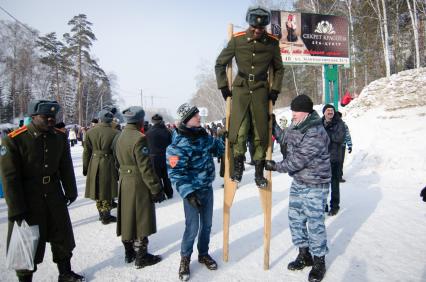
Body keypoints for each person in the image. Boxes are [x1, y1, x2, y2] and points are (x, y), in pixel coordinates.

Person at [0, 99, 84, 282]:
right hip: (28, 200)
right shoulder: (14, 140)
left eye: (53, 116)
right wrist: (16, 208)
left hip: (54, 195)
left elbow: (65, 167)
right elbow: (9, 178)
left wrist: (70, 191)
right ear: (34, 117)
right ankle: (25, 279)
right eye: (46, 117)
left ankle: (65, 273)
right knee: (26, 243)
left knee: (61, 235)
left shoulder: (59, 137)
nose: (51, 120)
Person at [215, 6, 284, 188]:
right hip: (240, 90)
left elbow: (279, 69)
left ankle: (259, 172)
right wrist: (223, 86)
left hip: (261, 91)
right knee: (239, 131)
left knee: (261, 132)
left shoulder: (272, 43)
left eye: (260, 29)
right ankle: (238, 167)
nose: (257, 31)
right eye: (254, 28)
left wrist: (275, 90)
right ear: (249, 24)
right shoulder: (237, 41)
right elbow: (220, 64)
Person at [265, 94, 331, 282]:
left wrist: (275, 166)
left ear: (305, 111)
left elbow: (297, 160)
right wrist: (274, 126)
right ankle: (304, 254)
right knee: (295, 218)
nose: (292, 114)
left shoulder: (316, 131)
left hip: (315, 184)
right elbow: (285, 138)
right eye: (292, 111)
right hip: (299, 182)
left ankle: (319, 261)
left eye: (295, 111)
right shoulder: (299, 124)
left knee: (315, 222)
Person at [166, 103, 224, 281]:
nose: (199, 117)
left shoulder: (203, 136)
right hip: (191, 193)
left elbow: (217, 148)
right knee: (192, 227)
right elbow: (175, 173)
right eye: (195, 115)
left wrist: (225, 139)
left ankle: (203, 253)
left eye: (198, 114)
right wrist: (188, 194)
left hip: (207, 189)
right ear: (186, 120)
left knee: (207, 225)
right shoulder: (177, 144)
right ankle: (185, 258)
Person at [115, 106, 165, 269]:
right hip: (138, 182)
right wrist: (156, 188)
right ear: (140, 120)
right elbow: (145, 167)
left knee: (127, 216)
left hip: (124, 180)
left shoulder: (120, 136)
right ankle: (141, 256)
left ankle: (129, 252)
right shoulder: (139, 138)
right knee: (141, 218)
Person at [83, 109, 120, 224]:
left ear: (100, 119)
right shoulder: (116, 133)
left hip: (94, 162)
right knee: (107, 189)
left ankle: (102, 213)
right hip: (109, 162)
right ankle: (106, 215)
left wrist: (85, 167)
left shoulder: (90, 132)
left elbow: (86, 152)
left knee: (97, 188)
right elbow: (117, 152)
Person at [322, 104, 345, 216]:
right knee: (322, 184)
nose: (330, 112)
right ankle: (323, 205)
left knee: (334, 183)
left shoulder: (339, 123)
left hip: (335, 158)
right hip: (321, 159)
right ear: (324, 112)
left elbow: (340, 138)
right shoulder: (319, 123)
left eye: (332, 110)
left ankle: (335, 206)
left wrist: (327, 135)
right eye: (328, 110)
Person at [146, 114, 174, 199]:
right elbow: (171, 144)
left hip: (154, 157)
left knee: (157, 177)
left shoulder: (149, 132)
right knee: (166, 176)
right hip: (166, 156)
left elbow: (147, 146)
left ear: (153, 121)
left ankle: (161, 194)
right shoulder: (168, 131)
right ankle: (169, 192)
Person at [337, 112, 352, 182]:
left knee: (339, 162)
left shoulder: (343, 125)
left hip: (340, 146)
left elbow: (347, 135)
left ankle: (339, 176)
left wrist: (350, 145)